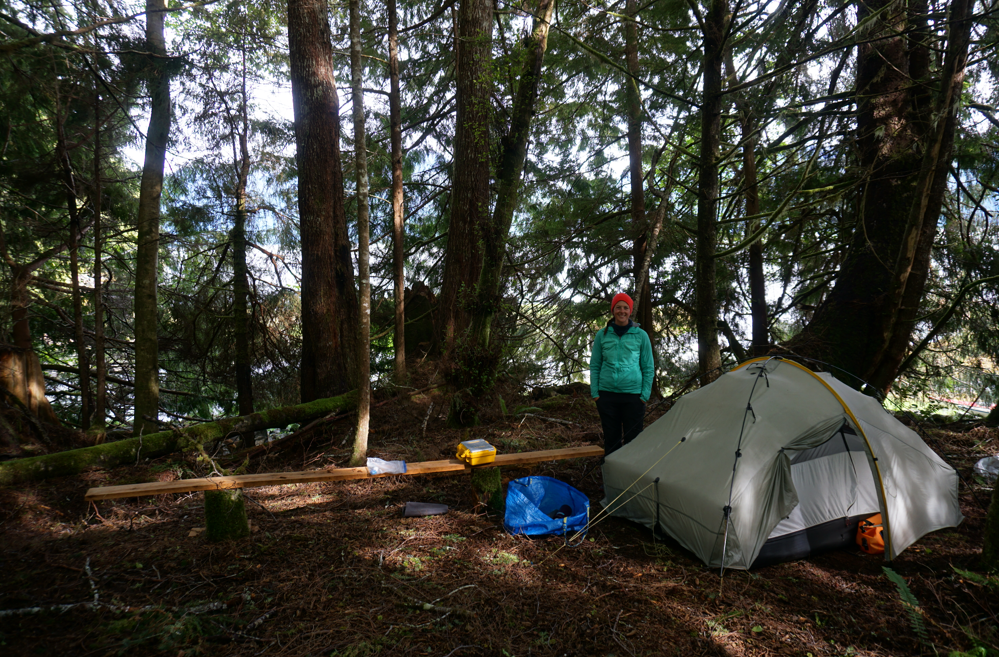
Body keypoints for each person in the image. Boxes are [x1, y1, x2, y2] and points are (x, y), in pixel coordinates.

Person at [590, 292, 654, 458]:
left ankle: (631, 473)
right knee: (612, 441)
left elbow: (648, 367)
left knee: (634, 441)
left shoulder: (641, 335)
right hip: (607, 396)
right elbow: (595, 365)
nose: (622, 311)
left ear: (630, 311)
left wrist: (644, 395)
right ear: (613, 310)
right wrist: (595, 393)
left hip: (633, 396)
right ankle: (612, 473)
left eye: (625, 308)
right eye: (618, 307)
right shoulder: (602, 335)